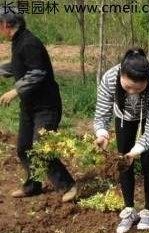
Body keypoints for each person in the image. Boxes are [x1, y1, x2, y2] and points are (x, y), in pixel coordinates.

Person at [0, 7, 77, 201]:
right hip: (30, 107)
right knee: (24, 147)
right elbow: (20, 66)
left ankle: (68, 185)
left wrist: (15, 90)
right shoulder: (18, 41)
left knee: (42, 147)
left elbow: (37, 72)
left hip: (46, 107)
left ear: (7, 25)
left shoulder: (29, 42)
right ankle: (33, 186)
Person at [94, 48, 149, 233]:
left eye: (139, 88)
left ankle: (148, 211)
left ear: (147, 82)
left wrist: (137, 150)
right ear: (120, 75)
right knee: (123, 161)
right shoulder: (110, 78)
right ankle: (129, 210)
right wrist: (101, 133)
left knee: (148, 160)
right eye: (128, 88)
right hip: (124, 116)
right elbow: (101, 114)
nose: (133, 92)